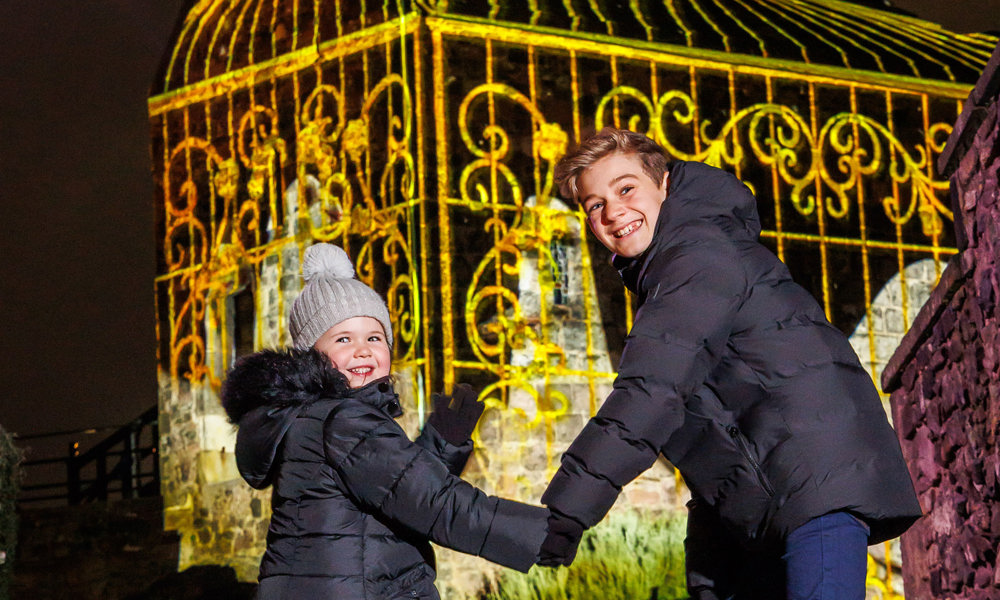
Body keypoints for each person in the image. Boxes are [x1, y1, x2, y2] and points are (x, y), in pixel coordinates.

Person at [536, 127, 922, 600]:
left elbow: (651, 393)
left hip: (813, 478)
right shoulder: (666, 273)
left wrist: (567, 511)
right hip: (759, 496)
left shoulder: (696, 254)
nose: (613, 212)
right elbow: (712, 424)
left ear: (665, 185)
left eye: (625, 188)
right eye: (594, 204)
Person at [221, 242, 548, 599]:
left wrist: (440, 444)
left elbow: (389, 496)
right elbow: (431, 502)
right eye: (343, 338)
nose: (363, 349)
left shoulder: (314, 416)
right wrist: (542, 534)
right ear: (310, 355)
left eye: (374, 337)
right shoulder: (341, 419)